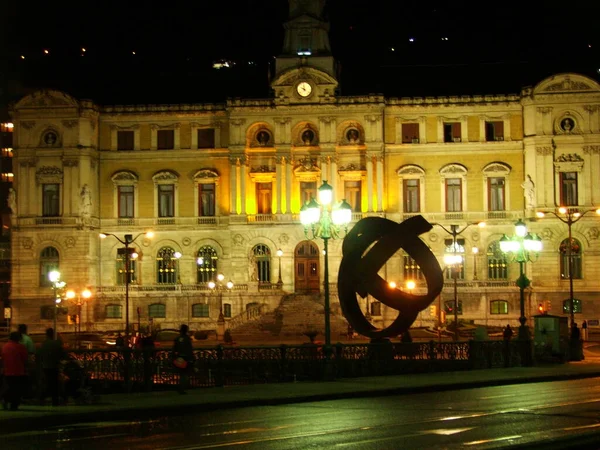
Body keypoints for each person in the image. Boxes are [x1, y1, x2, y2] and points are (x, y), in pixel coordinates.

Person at [37, 328, 65, 406]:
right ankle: (54, 401)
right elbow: (62, 354)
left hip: (45, 366)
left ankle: (43, 397)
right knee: (54, 384)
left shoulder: (44, 344)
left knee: (48, 383)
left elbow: (39, 355)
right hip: (54, 366)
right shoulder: (56, 344)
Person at [1, 332, 28, 410]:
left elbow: (3, 358)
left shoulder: (5, 347)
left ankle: (6, 399)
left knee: (10, 387)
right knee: (17, 389)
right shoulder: (20, 347)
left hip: (8, 371)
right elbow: (25, 359)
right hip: (18, 371)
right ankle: (14, 405)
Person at [172, 324, 194, 394]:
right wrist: (192, 358)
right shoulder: (187, 339)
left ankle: (180, 387)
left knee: (181, 373)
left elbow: (174, 349)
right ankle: (182, 388)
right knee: (184, 374)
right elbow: (189, 349)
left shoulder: (177, 339)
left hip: (179, 357)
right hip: (185, 358)